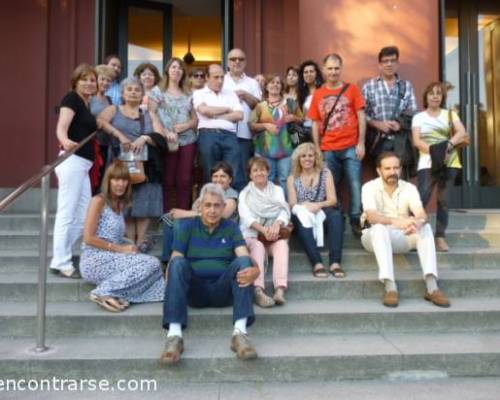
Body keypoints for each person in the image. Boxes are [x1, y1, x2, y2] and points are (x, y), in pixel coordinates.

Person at [160, 183, 260, 365]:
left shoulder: (230, 227)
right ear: (199, 206)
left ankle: (240, 334)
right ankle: (174, 336)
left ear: (223, 207)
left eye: (217, 205)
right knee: (177, 263)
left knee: (245, 263)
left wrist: (255, 270)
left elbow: (243, 255)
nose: (212, 210)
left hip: (223, 290)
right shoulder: (186, 226)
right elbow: (175, 258)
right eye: (208, 205)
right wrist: (171, 287)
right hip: (195, 291)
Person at [360, 152, 450, 308]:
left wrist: (418, 223)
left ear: (400, 169)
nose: (392, 172)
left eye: (396, 168)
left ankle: (432, 287)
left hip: (400, 236)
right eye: (387, 168)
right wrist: (399, 222)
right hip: (373, 236)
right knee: (380, 228)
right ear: (379, 170)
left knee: (426, 228)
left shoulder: (409, 188)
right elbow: (373, 218)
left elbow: (421, 213)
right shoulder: (369, 187)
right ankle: (390, 287)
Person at [80, 161, 165, 312]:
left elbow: (113, 236)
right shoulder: (98, 201)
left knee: (157, 271)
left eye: (124, 180)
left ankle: (118, 294)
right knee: (152, 264)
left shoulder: (119, 204)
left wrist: (130, 246)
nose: (120, 184)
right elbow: (88, 238)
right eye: (116, 179)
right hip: (94, 260)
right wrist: (120, 248)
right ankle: (103, 291)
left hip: (113, 256)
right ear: (108, 181)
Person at [98, 77, 165, 252]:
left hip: (145, 163)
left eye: (137, 89)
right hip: (120, 162)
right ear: (122, 93)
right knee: (124, 200)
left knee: (144, 201)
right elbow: (100, 121)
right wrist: (119, 135)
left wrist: (144, 138)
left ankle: (141, 242)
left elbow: (160, 134)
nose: (133, 92)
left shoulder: (149, 114)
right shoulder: (114, 109)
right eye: (129, 89)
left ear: (142, 93)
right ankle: (128, 242)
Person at [49, 64, 101, 278]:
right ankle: (61, 261)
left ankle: (62, 255)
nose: (89, 83)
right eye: (84, 79)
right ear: (75, 82)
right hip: (72, 161)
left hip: (83, 165)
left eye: (92, 80)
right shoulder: (71, 99)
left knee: (82, 216)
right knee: (67, 213)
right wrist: (65, 141)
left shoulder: (85, 103)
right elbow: (61, 127)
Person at [309, 53, 366, 237]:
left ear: (341, 69)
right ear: (324, 70)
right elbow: (315, 123)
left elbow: (361, 116)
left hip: (351, 146)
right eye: (330, 68)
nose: (333, 72)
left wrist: (361, 142)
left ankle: (356, 219)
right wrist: (317, 148)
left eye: (336, 68)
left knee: (355, 183)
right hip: (329, 148)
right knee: (330, 186)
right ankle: (337, 217)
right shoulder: (318, 94)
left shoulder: (352, 90)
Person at [412, 82, 469, 252]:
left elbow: (461, 132)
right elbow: (417, 141)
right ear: (426, 97)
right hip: (427, 163)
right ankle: (414, 234)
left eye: (438, 93)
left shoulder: (450, 114)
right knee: (422, 197)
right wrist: (436, 151)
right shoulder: (419, 117)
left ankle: (440, 237)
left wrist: (448, 145)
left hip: (449, 162)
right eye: (431, 93)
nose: (435, 96)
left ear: (442, 97)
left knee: (443, 201)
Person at [160, 162, 239, 262]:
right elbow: (195, 209)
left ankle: (177, 259)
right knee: (169, 218)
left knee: (180, 224)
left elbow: (221, 215)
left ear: (230, 179)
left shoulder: (231, 196)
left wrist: (184, 213)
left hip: (220, 230)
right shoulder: (209, 192)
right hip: (203, 226)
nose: (218, 179)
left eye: (223, 176)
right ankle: (168, 259)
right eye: (215, 176)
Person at [287, 143, 345, 278]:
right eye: (303, 156)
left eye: (310, 156)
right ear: (298, 159)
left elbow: (332, 200)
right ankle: (317, 263)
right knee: (300, 218)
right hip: (303, 214)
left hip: (322, 213)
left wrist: (317, 205)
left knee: (336, 215)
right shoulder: (292, 178)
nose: (307, 159)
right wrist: (306, 208)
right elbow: (292, 204)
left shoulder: (325, 173)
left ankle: (335, 263)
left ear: (315, 158)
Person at [239, 157, 291, 307]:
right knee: (258, 246)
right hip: (253, 235)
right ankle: (258, 290)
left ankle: (280, 289)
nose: (259, 173)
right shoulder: (245, 194)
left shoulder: (277, 190)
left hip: (273, 236)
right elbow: (246, 217)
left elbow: (284, 210)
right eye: (255, 170)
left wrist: (276, 224)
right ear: (250, 175)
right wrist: (263, 230)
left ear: (268, 172)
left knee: (282, 245)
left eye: (262, 169)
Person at [149, 58, 198, 211]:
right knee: (168, 180)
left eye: (180, 68)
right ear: (167, 70)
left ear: (183, 73)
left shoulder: (189, 93)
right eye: (173, 67)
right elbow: (152, 113)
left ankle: (183, 214)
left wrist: (186, 125)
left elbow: (195, 119)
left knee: (184, 180)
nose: (177, 70)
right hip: (167, 141)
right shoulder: (158, 91)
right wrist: (165, 132)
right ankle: (167, 215)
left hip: (188, 140)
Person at [362, 46, 418, 178]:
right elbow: (361, 114)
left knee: (401, 181)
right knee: (382, 182)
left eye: (393, 61)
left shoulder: (406, 86)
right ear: (379, 64)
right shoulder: (369, 86)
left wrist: (400, 125)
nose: (389, 64)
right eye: (385, 61)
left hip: (401, 142)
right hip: (379, 141)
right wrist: (376, 124)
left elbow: (414, 113)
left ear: (397, 63)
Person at [249, 74, 302, 195]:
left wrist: (293, 117)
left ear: (282, 86)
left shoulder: (290, 103)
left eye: (278, 83)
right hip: (265, 150)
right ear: (266, 87)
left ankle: (286, 209)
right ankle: (269, 208)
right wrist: (265, 125)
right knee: (268, 179)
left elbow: (302, 120)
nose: (275, 85)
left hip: (287, 149)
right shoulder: (260, 106)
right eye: (271, 83)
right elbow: (251, 125)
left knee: (285, 179)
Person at [193, 64, 243, 184]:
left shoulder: (230, 94)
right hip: (208, 135)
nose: (220, 81)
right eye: (216, 77)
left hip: (230, 136)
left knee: (231, 174)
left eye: (222, 77)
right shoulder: (199, 93)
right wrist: (226, 109)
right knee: (210, 173)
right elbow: (204, 110)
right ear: (207, 77)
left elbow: (239, 115)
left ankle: (229, 201)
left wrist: (215, 115)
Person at [223, 48, 262, 190]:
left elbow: (259, 107)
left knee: (242, 172)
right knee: (224, 171)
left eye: (241, 59)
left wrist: (245, 95)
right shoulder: (221, 81)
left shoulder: (252, 83)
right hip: (224, 132)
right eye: (233, 59)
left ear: (245, 62)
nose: (237, 62)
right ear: (228, 62)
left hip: (245, 133)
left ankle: (241, 206)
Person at [89, 64, 116, 192]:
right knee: (92, 178)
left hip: (107, 144)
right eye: (103, 79)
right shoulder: (89, 98)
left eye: (109, 80)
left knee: (102, 179)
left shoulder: (110, 100)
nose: (105, 82)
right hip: (93, 144)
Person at [298, 60, 324, 141]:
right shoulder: (301, 93)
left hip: (321, 131)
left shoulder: (323, 89)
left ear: (316, 73)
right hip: (306, 131)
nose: (308, 74)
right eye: (305, 72)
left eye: (311, 71)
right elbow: (302, 116)